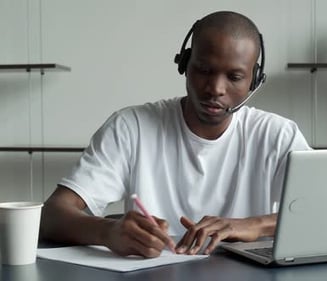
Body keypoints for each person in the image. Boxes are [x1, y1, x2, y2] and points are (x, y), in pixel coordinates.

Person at [40, 11, 310, 257]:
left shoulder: (278, 136)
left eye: (234, 76)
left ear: (254, 80)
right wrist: (107, 232)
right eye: (204, 70)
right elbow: (51, 215)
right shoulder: (131, 127)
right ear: (184, 63)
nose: (215, 88)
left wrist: (255, 225)